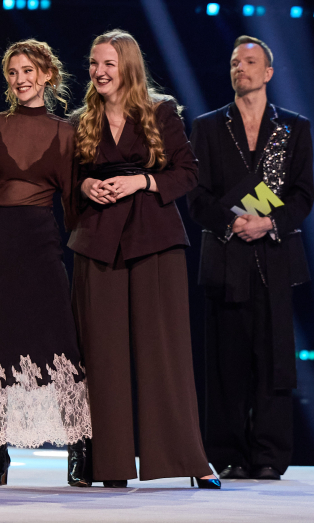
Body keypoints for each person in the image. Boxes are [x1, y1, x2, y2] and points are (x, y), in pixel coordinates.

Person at [68, 29, 219, 489]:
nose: (99, 72)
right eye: (94, 63)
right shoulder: (80, 118)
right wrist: (86, 186)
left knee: (164, 352)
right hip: (97, 241)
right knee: (104, 355)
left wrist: (142, 183)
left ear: (128, 66)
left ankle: (190, 461)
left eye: (108, 63)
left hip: (154, 237)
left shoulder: (160, 110)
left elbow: (188, 172)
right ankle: (110, 465)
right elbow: (69, 179)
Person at [0, 39, 93, 488]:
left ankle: (80, 449)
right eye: (13, 72)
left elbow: (75, 200)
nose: (21, 79)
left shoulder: (66, 132)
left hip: (41, 244)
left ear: (48, 75)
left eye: (29, 70)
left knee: (60, 344)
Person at [188, 36, 314, 481]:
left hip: (274, 257)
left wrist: (269, 222)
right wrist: (233, 222)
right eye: (235, 62)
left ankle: (269, 455)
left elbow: (302, 194)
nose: (240, 67)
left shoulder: (293, 129)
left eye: (250, 61)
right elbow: (195, 195)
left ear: (268, 73)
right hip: (225, 257)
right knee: (225, 362)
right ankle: (227, 453)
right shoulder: (207, 127)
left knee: (274, 360)